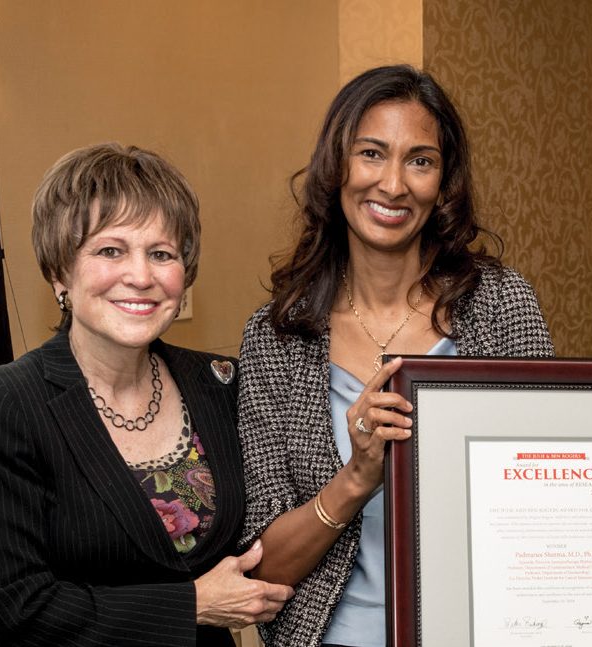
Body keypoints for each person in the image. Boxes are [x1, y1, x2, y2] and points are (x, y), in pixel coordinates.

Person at [238, 64, 555, 647]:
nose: (393, 184)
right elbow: (261, 568)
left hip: (486, 630)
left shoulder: (501, 304)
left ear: (444, 184)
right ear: (337, 168)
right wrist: (357, 478)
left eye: (420, 161)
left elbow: (549, 490)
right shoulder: (278, 337)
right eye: (371, 153)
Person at [0, 143, 293, 646]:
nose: (141, 276)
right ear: (59, 272)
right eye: (110, 250)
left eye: (161, 253)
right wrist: (191, 606)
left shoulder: (221, 382)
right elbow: (12, 605)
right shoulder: (0, 403)